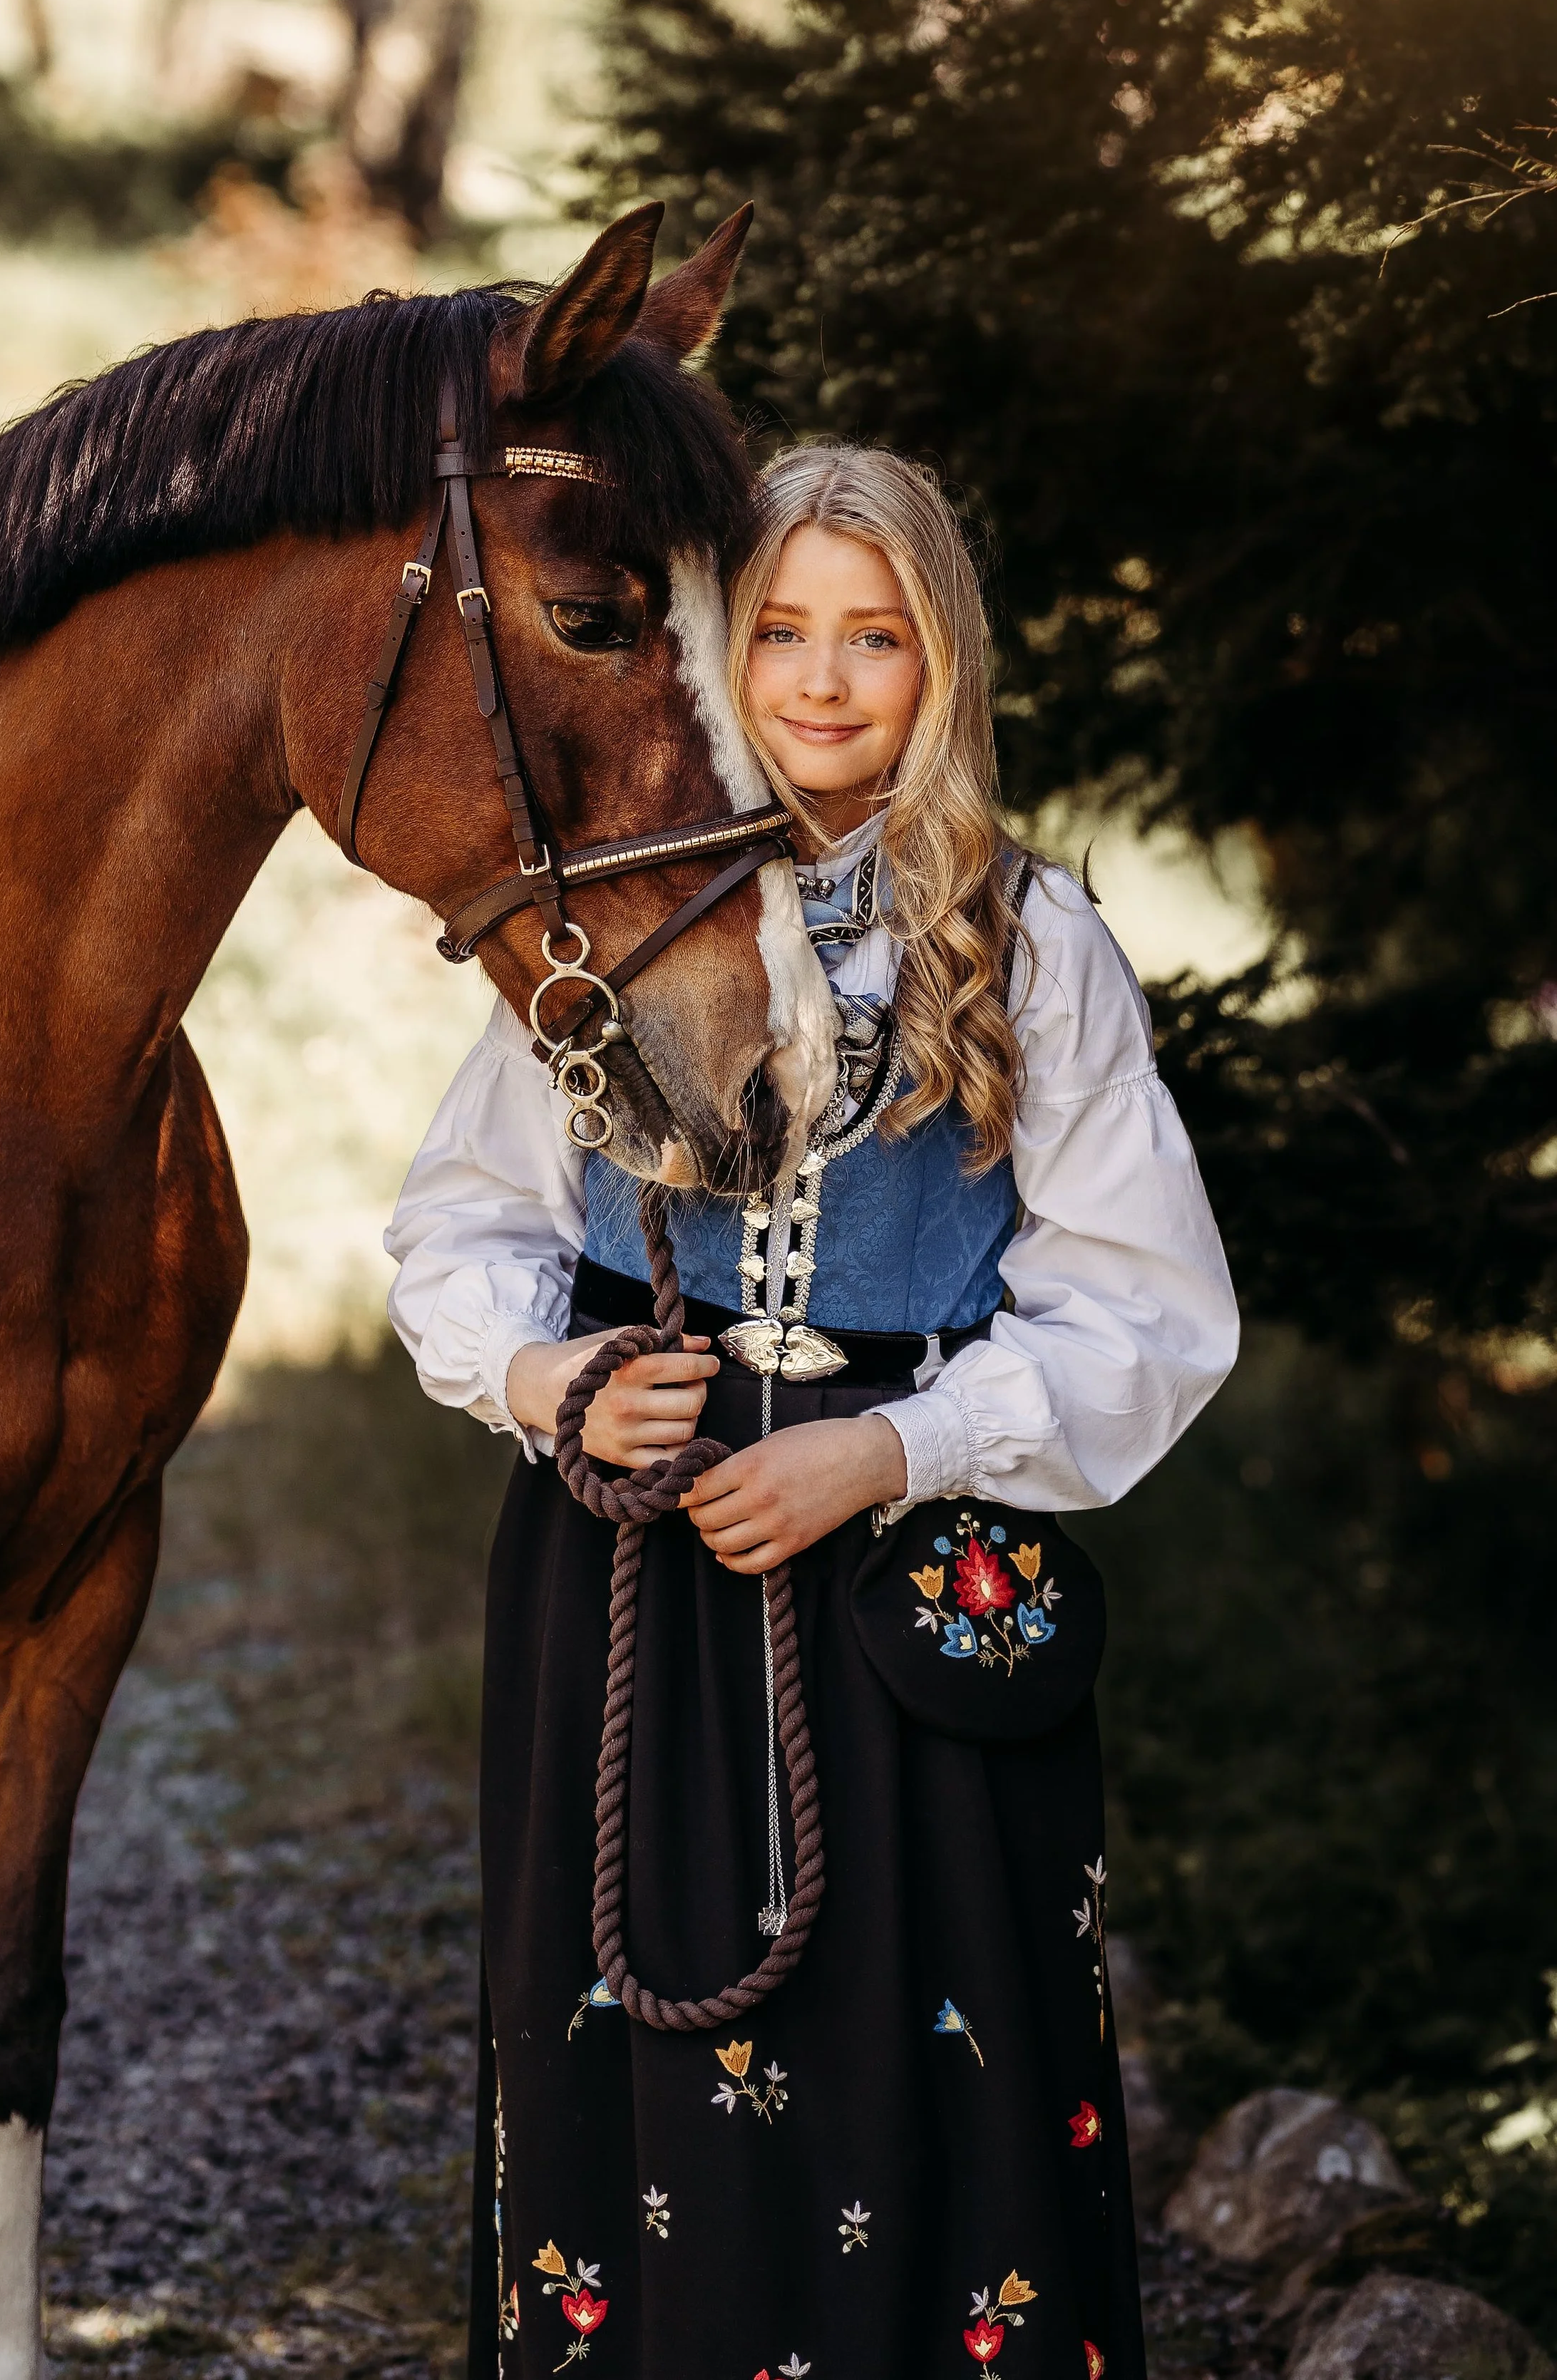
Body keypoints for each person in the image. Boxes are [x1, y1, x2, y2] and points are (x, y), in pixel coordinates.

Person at [387, 443, 1238, 2380]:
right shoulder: (610, 916)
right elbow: (461, 1226)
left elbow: (1150, 1313)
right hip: (626, 1562)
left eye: (878, 637)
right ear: (715, 645)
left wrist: (890, 1446)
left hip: (907, 1586)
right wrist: (552, 1378)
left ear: (942, 666)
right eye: (780, 631)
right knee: (627, 2031)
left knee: (926, 2045)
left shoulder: (1029, 944)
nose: (825, 680)